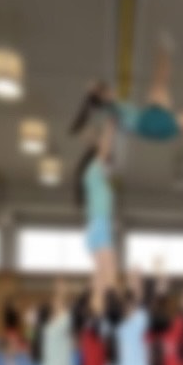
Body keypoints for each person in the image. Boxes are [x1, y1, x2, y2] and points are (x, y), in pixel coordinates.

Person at [70, 34, 183, 142]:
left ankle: (165, 49)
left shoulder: (113, 110)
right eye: (107, 90)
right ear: (103, 96)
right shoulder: (112, 108)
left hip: (151, 124)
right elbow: (97, 98)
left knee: (161, 86)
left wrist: (92, 97)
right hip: (151, 122)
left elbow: (97, 111)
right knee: (164, 88)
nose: (112, 91)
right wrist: (92, 89)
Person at [75, 119, 118, 296]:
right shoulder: (93, 171)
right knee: (109, 278)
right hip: (99, 225)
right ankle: (106, 308)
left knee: (101, 279)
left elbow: (102, 151)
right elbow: (104, 149)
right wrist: (110, 127)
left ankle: (88, 307)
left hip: (95, 226)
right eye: (108, 163)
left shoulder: (95, 178)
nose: (109, 167)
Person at [3, 297, 26, 365]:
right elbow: (15, 321)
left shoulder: (11, 312)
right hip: (11, 331)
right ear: (11, 304)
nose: (17, 304)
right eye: (15, 303)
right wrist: (17, 314)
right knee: (12, 347)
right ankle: (9, 362)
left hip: (12, 331)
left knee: (11, 346)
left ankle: (9, 361)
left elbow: (16, 322)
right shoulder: (10, 312)